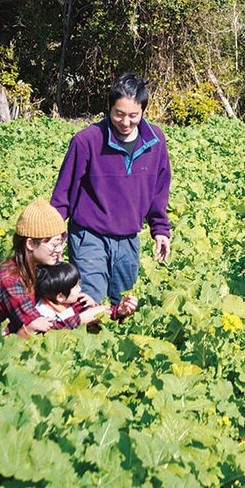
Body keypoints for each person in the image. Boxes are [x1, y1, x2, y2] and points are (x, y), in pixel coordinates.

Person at [50, 72, 172, 312]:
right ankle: (84, 346)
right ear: (109, 108)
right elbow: (63, 193)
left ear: (143, 112)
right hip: (89, 236)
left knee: (124, 304)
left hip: (128, 238)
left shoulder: (155, 141)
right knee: (88, 303)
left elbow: (159, 191)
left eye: (133, 116)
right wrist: (52, 234)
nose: (125, 122)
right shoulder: (87, 141)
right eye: (119, 114)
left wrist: (160, 229)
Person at [0, 196, 103, 339]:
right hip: (3, 344)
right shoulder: (9, 279)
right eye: (54, 244)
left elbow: (62, 298)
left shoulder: (45, 263)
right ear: (31, 244)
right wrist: (81, 318)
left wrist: (87, 305)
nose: (60, 250)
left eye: (61, 242)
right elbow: (41, 328)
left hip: (38, 329)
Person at [34, 261, 139, 324]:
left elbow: (99, 315)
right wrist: (82, 319)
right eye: (75, 287)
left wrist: (118, 311)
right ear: (60, 297)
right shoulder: (41, 312)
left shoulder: (77, 303)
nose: (80, 289)